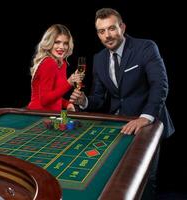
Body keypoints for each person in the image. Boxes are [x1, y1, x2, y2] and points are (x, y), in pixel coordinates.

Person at [70, 8, 175, 198]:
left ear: (122, 27)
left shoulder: (145, 47)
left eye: (111, 28)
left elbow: (160, 84)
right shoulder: (99, 58)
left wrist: (145, 118)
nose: (107, 35)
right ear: (98, 34)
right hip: (119, 125)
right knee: (118, 178)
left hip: (147, 124)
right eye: (102, 31)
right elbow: (99, 97)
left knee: (145, 180)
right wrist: (84, 101)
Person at [27, 24, 83, 111]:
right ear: (49, 43)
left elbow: (54, 96)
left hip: (53, 115)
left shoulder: (62, 63)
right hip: (38, 115)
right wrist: (69, 82)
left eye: (65, 43)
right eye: (57, 42)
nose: (62, 47)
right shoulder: (48, 63)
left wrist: (67, 104)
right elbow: (45, 100)